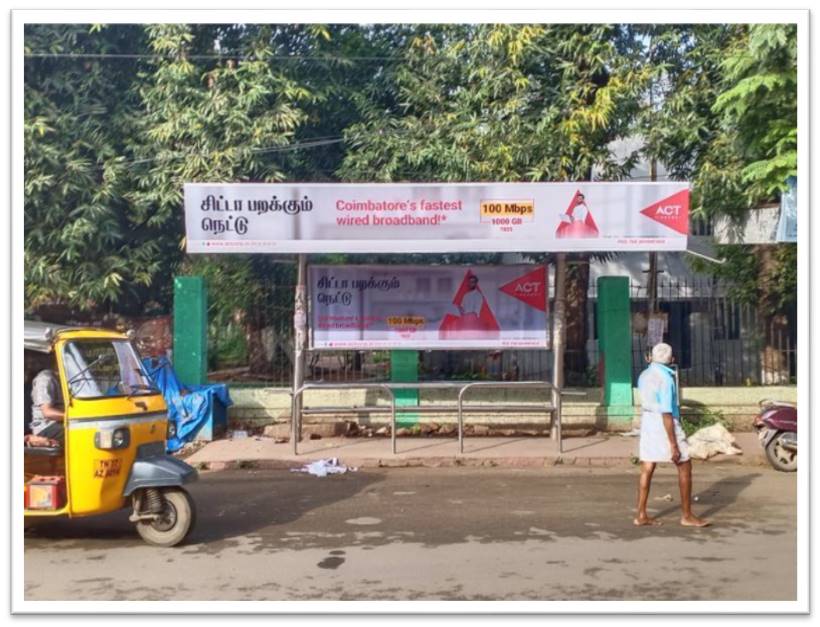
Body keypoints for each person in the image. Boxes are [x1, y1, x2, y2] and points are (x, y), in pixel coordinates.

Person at [634, 342, 709, 528]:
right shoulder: (667, 379)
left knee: (647, 466)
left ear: (650, 357)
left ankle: (641, 513)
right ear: (671, 360)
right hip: (664, 422)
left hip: (648, 421)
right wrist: (673, 444)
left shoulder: (644, 375)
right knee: (684, 465)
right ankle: (687, 515)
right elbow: (667, 413)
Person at [28, 353, 65, 443]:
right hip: (46, 427)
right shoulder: (45, 379)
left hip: (58, 423)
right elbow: (47, 412)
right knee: (81, 432)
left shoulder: (62, 378)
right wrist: (72, 416)